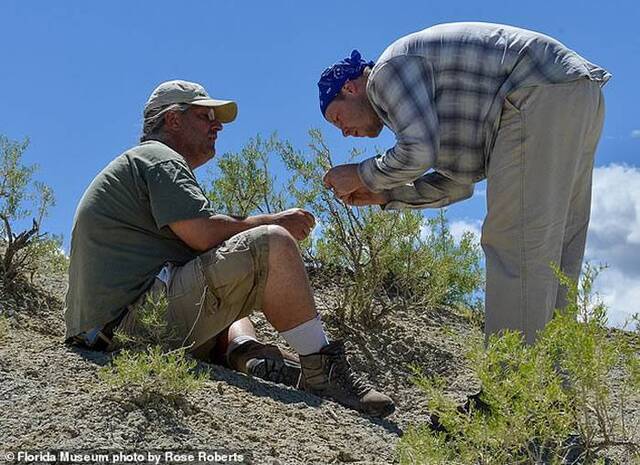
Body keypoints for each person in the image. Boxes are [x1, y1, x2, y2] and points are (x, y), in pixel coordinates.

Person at [64, 80, 394, 418]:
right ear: (173, 121)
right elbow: (204, 234)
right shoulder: (160, 158)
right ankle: (324, 373)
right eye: (205, 116)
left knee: (229, 273)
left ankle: (244, 352)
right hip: (129, 329)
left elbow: (204, 250)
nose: (217, 125)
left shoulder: (143, 164)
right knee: (272, 243)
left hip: (110, 328)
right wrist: (276, 221)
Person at [319, 22, 610, 345]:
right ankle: (551, 388)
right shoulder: (423, 106)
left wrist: (360, 173)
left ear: (350, 88)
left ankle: (508, 386)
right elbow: (458, 185)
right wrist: (386, 194)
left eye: (337, 118)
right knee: (555, 253)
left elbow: (418, 152)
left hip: (534, 92)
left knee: (513, 242)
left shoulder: (386, 74)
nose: (344, 131)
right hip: (574, 92)